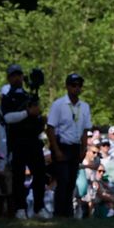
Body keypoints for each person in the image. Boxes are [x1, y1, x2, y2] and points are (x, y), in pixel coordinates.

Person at [1, 64, 48, 219]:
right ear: (9, 78)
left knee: (40, 174)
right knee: (19, 176)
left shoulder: (30, 96)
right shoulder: (8, 98)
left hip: (33, 140)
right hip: (17, 141)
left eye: (19, 74)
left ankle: (39, 207)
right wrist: (27, 112)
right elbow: (8, 118)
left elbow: (36, 115)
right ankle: (20, 208)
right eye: (14, 75)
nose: (18, 78)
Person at [45, 73, 92, 218]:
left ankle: (68, 212)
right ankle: (59, 212)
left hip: (75, 146)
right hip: (62, 145)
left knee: (72, 180)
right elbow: (50, 128)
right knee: (63, 180)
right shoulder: (59, 105)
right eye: (73, 85)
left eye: (79, 85)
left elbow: (85, 130)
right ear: (67, 86)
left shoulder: (84, 107)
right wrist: (56, 149)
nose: (76, 88)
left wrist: (84, 149)